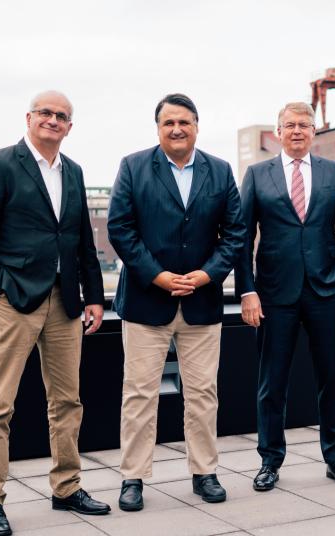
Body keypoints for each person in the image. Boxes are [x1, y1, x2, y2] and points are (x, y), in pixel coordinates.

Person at [0, 90, 110, 536]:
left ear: (69, 126)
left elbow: (82, 238)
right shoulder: (0, 164)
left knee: (67, 401)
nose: (53, 120)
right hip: (14, 303)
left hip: (66, 302)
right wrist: (1, 288)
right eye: (46, 112)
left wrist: (95, 296)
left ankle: (67, 488)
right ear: (29, 118)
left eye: (62, 116)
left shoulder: (74, 171)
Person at [107, 93, 245, 507]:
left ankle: (204, 472)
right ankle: (133, 478)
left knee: (203, 393)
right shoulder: (133, 167)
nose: (177, 129)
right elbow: (120, 229)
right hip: (147, 302)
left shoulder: (219, 172)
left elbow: (235, 233)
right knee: (139, 394)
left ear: (197, 125)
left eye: (184, 122)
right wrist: (159, 276)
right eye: (169, 123)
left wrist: (206, 275)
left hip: (202, 304)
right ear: (158, 128)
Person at [235, 102, 335, 491]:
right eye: (290, 125)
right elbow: (241, 238)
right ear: (278, 132)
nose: (297, 132)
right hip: (274, 295)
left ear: (313, 132)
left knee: (332, 380)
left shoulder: (332, 172)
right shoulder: (257, 175)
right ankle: (270, 461)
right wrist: (248, 290)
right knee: (272, 383)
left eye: (304, 125)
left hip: (325, 292)